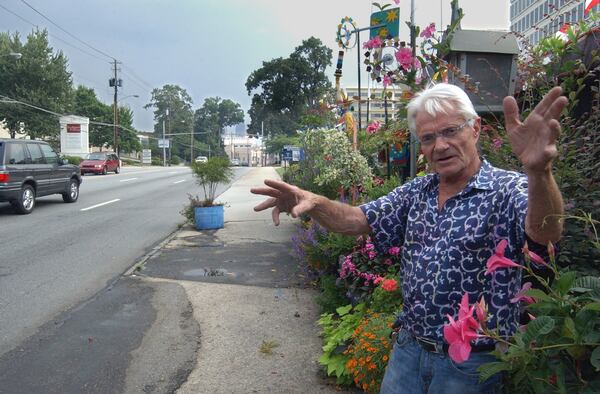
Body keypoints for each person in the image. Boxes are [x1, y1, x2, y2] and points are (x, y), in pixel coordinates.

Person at [251, 83, 567, 393]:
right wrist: (315, 202)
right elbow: (356, 219)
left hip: (471, 361)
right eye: (428, 138)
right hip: (409, 349)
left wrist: (540, 173)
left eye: (450, 131)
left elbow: (546, 231)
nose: (439, 145)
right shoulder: (418, 192)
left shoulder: (506, 189)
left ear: (476, 129)